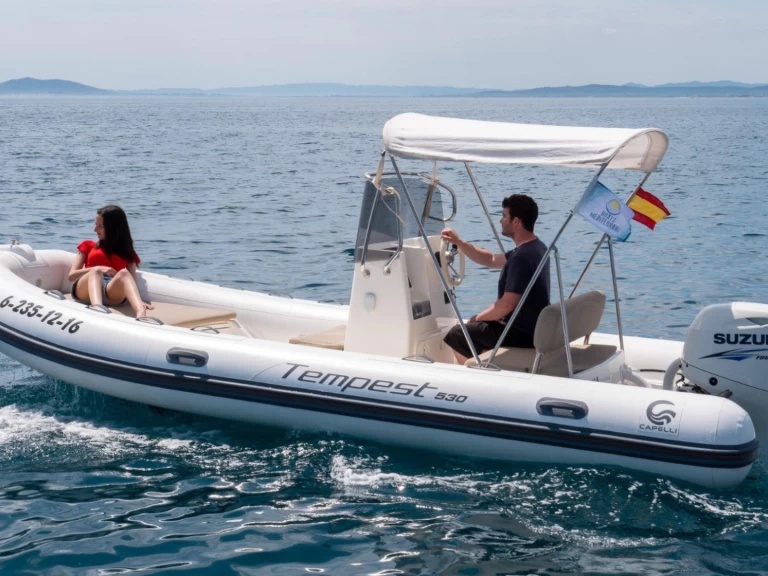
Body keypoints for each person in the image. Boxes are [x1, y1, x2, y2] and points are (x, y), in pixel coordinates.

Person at [442, 194, 550, 365]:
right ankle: (487, 362)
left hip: (519, 332)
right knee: (475, 329)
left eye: (504, 216)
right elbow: (491, 259)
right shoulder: (536, 247)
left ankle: (476, 375)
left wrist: (477, 318)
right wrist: (459, 242)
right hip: (531, 327)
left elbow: (507, 304)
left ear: (516, 221)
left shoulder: (522, 257)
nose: (501, 221)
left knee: (457, 334)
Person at [68, 205, 154, 318]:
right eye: (95, 225)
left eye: (100, 226)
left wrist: (138, 300)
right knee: (96, 271)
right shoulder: (88, 246)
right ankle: (97, 307)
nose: (95, 230)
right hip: (86, 287)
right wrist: (97, 268)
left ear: (112, 228)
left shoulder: (127, 252)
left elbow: (131, 280)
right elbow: (71, 276)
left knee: (123, 273)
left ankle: (141, 313)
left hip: (111, 290)